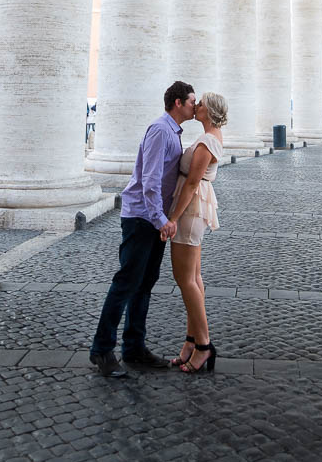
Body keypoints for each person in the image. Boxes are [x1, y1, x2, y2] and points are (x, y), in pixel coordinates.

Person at [89, 81, 196, 378]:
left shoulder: (173, 131)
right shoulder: (161, 130)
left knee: (144, 283)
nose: (194, 106)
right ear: (177, 102)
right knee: (126, 282)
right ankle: (101, 349)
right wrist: (161, 220)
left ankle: (134, 346)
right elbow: (149, 181)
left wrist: (161, 219)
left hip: (153, 218)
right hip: (141, 217)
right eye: (191, 101)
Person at [163, 91, 227, 374]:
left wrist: (172, 218)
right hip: (194, 207)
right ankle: (191, 341)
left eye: (200, 103)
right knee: (194, 278)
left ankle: (203, 345)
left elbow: (190, 184)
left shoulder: (208, 141)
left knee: (184, 278)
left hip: (189, 211)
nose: (196, 106)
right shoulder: (210, 137)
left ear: (209, 111)